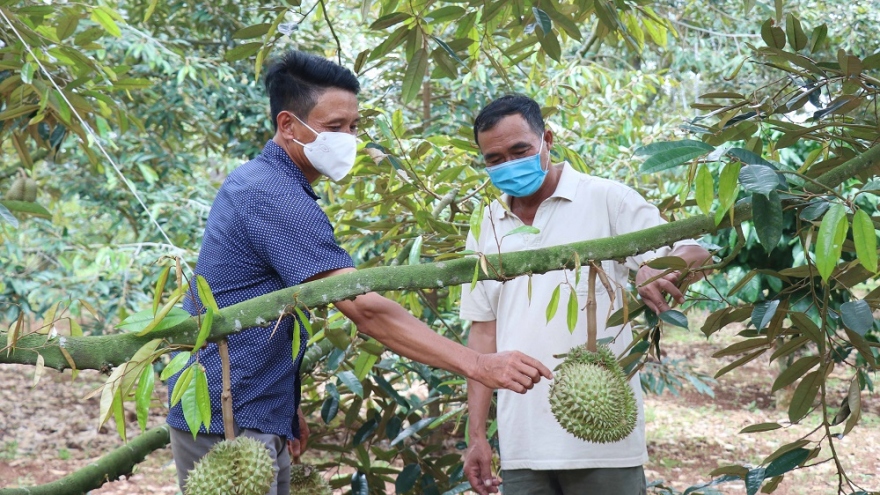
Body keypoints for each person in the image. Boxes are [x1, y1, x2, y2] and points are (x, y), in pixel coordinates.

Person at [165, 53, 553, 495]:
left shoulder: (274, 185)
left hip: (254, 410)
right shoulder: (269, 193)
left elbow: (257, 302)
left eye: (353, 126)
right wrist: (479, 363)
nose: (349, 138)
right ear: (289, 125)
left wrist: (283, 408)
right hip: (227, 420)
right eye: (335, 127)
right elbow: (365, 309)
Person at [460, 95, 710, 495]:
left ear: (547, 140)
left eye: (520, 150)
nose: (508, 164)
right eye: (494, 159)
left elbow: (695, 251)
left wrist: (660, 268)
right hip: (522, 439)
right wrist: (477, 435)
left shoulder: (607, 199)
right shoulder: (488, 221)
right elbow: (483, 332)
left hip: (605, 444)